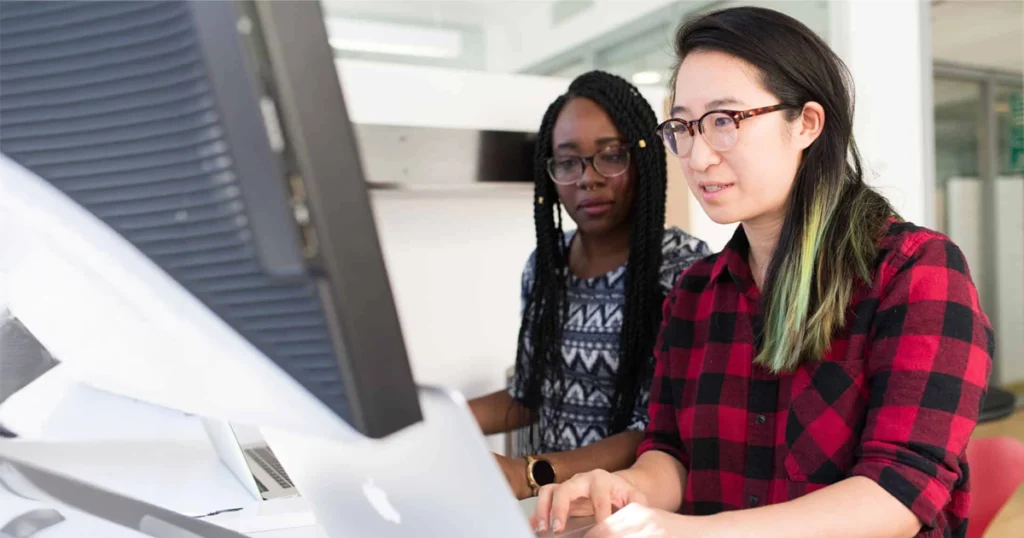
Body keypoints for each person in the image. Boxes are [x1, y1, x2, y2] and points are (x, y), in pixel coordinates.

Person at [531, 7, 994, 538]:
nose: (698, 157)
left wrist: (690, 533)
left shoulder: (914, 270)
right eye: (683, 127)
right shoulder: (694, 291)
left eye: (725, 121)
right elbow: (672, 452)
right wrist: (629, 491)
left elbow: (898, 493)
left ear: (807, 124)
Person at [468, 71, 710, 500]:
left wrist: (529, 474)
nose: (588, 178)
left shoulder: (683, 271)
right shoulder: (546, 266)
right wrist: (439, 421)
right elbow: (530, 394)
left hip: (632, 510)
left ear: (643, 159)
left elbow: (657, 430)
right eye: (568, 161)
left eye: (611, 155)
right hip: (553, 513)